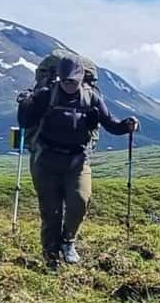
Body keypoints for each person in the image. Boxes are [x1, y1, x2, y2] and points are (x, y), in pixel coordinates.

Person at [16, 56, 139, 269]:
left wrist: (127, 126)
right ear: (59, 78)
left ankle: (68, 241)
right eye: (65, 81)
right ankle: (51, 257)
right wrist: (27, 104)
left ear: (81, 79)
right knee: (51, 211)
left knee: (80, 200)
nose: (68, 85)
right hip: (46, 159)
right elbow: (25, 122)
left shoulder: (91, 98)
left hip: (78, 159)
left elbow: (110, 124)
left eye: (73, 81)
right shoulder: (46, 95)